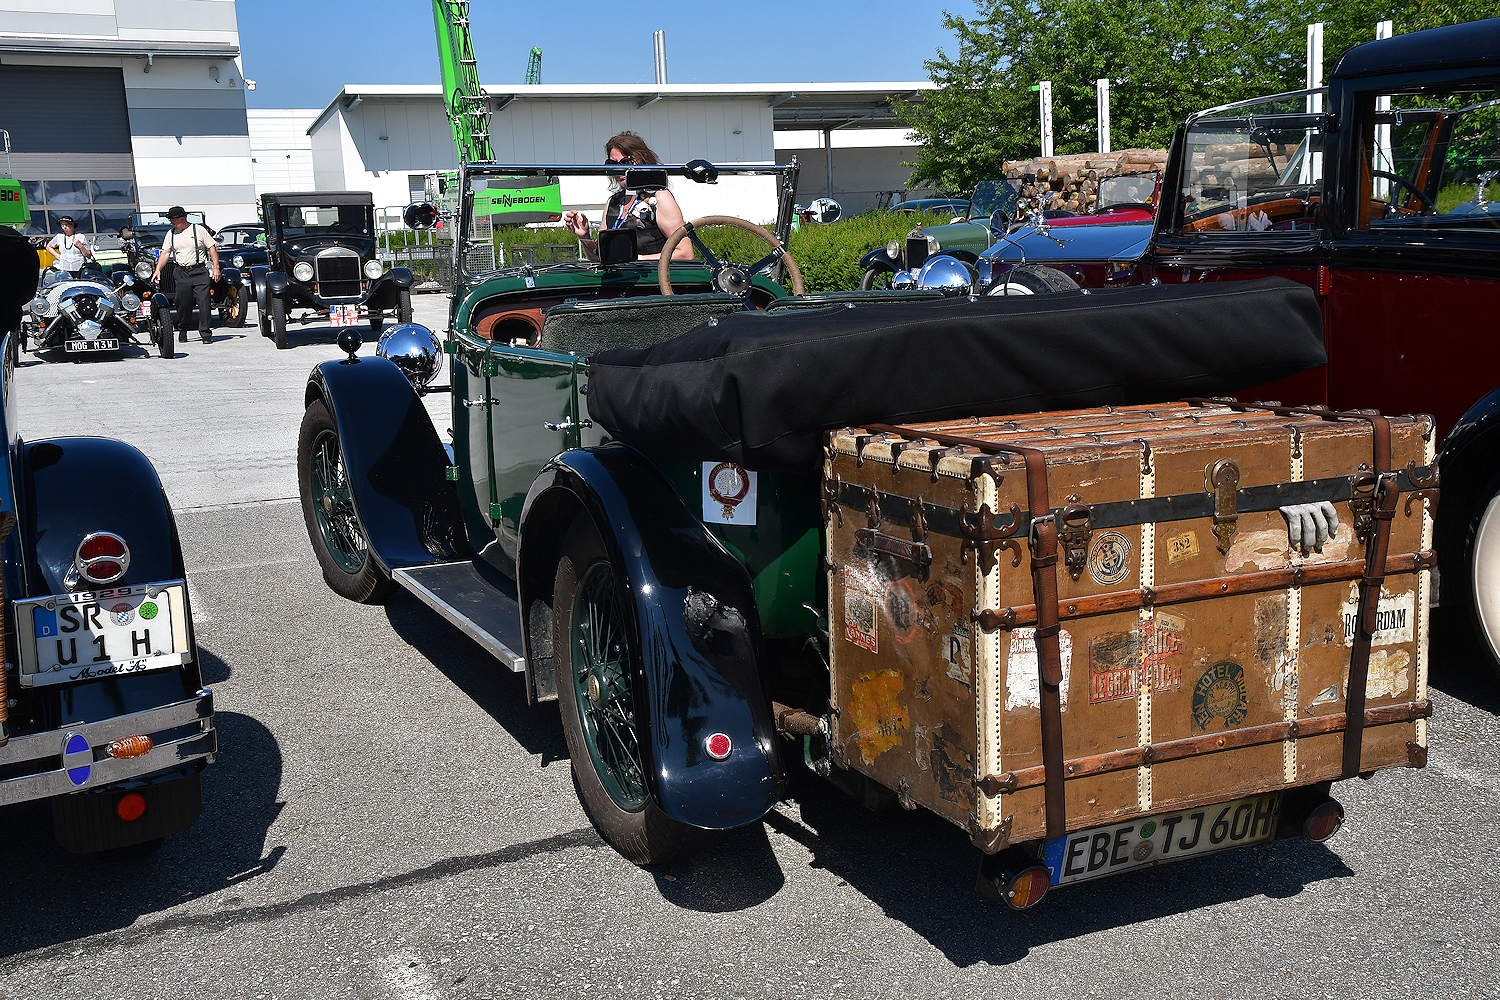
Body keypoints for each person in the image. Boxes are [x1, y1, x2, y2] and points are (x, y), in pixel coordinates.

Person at [562, 132, 692, 261]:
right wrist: (584, 236)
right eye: (612, 164)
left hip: (651, 274)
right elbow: (599, 258)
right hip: (618, 275)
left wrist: (638, 260)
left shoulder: (659, 197)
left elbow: (685, 253)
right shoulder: (613, 202)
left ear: (642, 161)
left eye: (626, 162)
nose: (619, 169)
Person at [151, 206, 220, 344]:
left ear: (183, 219)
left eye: (173, 220)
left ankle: (205, 334)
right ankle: (183, 329)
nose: (171, 223)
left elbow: (212, 248)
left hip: (199, 271)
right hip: (181, 272)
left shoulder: (198, 230)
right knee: (182, 303)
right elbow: (165, 253)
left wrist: (216, 268)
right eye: (170, 220)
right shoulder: (171, 234)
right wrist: (158, 269)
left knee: (204, 302)